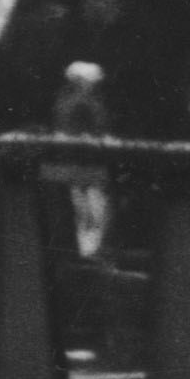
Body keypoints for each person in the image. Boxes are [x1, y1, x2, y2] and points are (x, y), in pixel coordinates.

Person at [48, 56, 116, 266]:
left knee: (81, 208)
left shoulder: (63, 99)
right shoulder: (85, 102)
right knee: (94, 208)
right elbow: (96, 128)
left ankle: (86, 251)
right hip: (88, 161)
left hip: (71, 160)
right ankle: (91, 251)